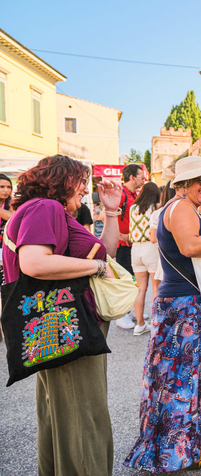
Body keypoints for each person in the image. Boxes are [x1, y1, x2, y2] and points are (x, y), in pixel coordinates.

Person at [125, 156, 201, 472]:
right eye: (200, 181)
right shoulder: (179, 209)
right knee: (187, 377)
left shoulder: (183, 209)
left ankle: (187, 440)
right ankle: (199, 449)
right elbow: (191, 246)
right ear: (183, 184)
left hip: (182, 304)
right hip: (184, 306)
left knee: (180, 376)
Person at [3, 155, 121, 476]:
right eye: (81, 181)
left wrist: (111, 211)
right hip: (67, 325)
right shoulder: (46, 208)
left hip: (53, 325)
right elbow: (35, 263)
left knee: (60, 417)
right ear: (61, 179)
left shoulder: (43, 211)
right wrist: (97, 268)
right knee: (85, 418)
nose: (85, 188)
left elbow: (106, 252)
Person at [128, 181, 162, 336]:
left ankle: (140, 324)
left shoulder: (132, 208)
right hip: (151, 248)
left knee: (140, 288)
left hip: (136, 249)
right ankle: (156, 323)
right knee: (156, 288)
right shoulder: (156, 208)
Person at [115, 163, 145, 329]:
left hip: (131, 244)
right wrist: (120, 235)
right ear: (132, 177)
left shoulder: (132, 195)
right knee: (125, 280)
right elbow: (107, 216)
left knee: (133, 279)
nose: (143, 179)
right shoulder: (121, 195)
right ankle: (122, 315)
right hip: (123, 245)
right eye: (141, 176)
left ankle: (131, 310)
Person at [149, 184, 177, 295]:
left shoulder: (157, 213)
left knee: (158, 290)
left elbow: (153, 238)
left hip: (164, 255)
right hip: (181, 257)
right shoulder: (183, 211)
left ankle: (156, 312)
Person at [0, 173, 14, 284]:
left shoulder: (12, 204)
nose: (6, 190)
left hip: (5, 246)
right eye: (2, 187)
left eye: (9, 187)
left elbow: (11, 217)